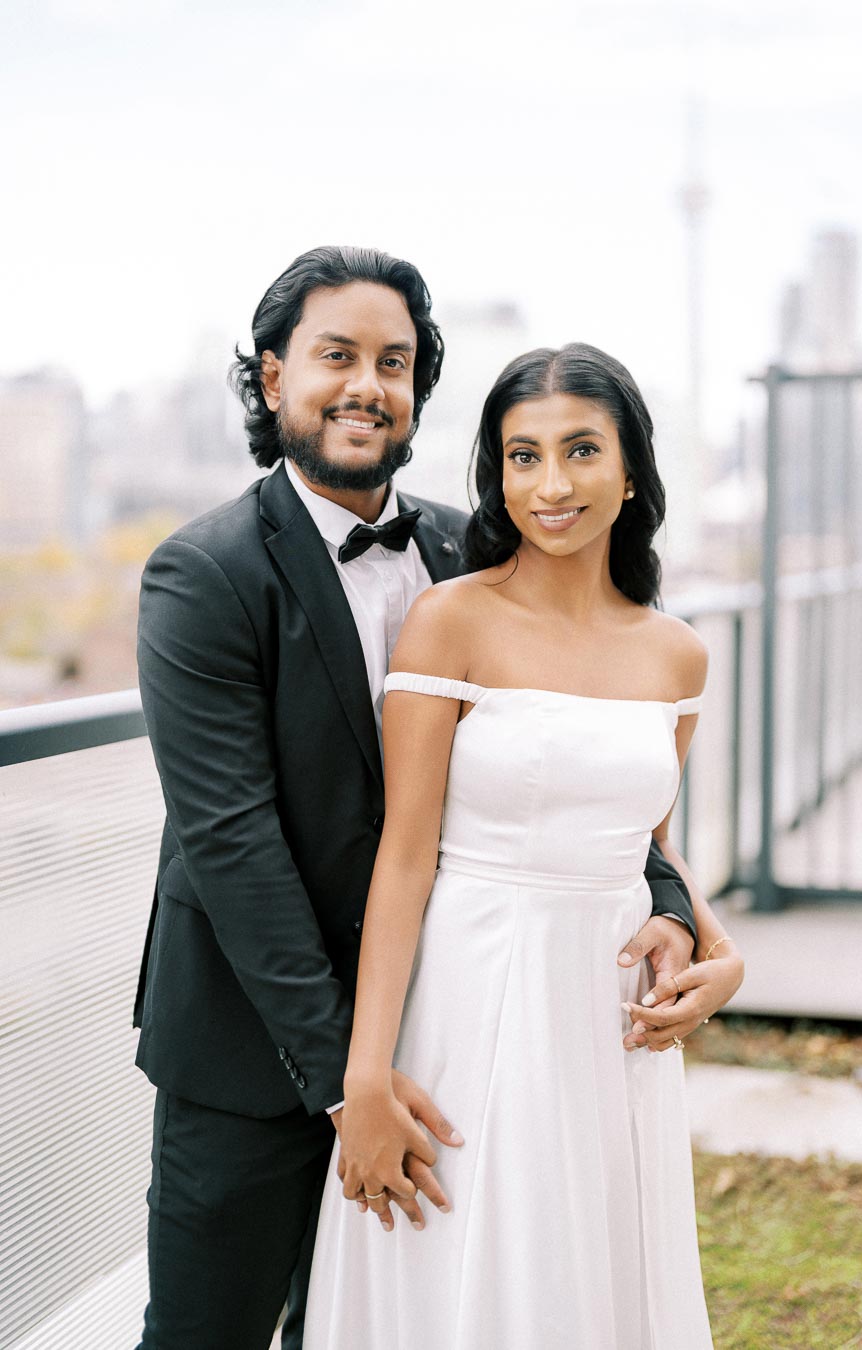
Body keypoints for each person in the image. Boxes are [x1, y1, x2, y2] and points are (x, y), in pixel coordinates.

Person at [131, 245, 704, 1350]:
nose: (366, 386)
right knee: (206, 1333)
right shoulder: (200, 576)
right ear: (269, 376)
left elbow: (577, 773)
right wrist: (355, 1085)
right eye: (335, 355)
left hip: (449, 1035)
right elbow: (231, 845)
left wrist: (676, 912)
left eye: (394, 362)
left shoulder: (476, 550)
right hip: (258, 1049)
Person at [303, 343, 745, 1349]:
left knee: (586, 1271)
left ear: (631, 471)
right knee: (464, 1256)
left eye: (581, 451)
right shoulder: (450, 621)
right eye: (523, 456)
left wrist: (725, 956)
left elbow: (648, 845)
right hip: (473, 990)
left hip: (610, 1023)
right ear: (497, 477)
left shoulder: (676, 651)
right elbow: (404, 857)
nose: (552, 486)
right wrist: (363, 1078)